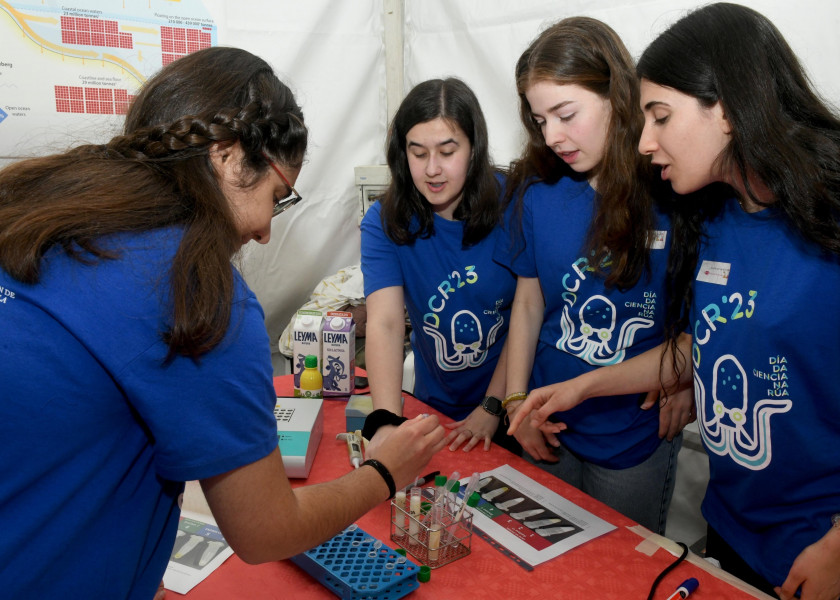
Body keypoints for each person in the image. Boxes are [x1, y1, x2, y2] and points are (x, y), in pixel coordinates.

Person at [0, 47, 446, 599]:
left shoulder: (36, 213)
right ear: (229, 157)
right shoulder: (192, 289)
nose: (263, 232)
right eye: (277, 198)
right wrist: (383, 473)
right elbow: (267, 531)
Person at [513, 4, 840, 598]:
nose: (643, 142)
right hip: (736, 533)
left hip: (837, 550)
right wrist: (585, 386)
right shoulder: (716, 217)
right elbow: (704, 344)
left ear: (727, 109)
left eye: (660, 117)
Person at [495, 16, 693, 535]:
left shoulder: (676, 191)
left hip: (633, 439)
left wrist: (688, 378)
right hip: (547, 425)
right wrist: (517, 404)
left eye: (566, 114)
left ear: (618, 96)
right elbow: (529, 303)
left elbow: (703, 325)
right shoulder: (537, 193)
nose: (553, 136)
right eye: (540, 120)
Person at [360, 78, 519, 454]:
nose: (432, 169)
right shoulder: (384, 221)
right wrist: (386, 421)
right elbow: (384, 322)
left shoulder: (514, 205)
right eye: (418, 153)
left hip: (511, 401)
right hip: (433, 404)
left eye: (447, 152)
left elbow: (529, 315)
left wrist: (492, 405)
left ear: (474, 148)